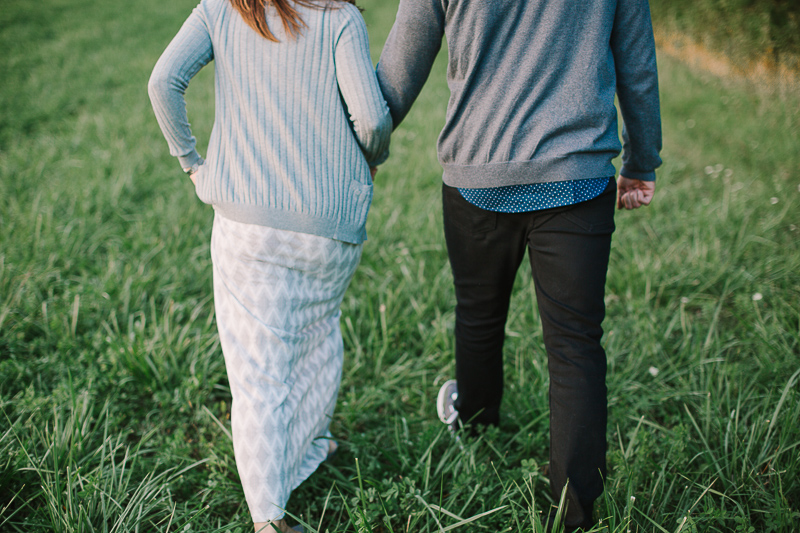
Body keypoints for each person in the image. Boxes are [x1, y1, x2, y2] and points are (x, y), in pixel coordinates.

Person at [376, 0, 661, 530]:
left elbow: (401, 66)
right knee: (575, 344)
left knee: (479, 313)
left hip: (477, 173)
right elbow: (637, 62)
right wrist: (641, 161)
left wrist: (363, 141)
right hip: (577, 176)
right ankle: (577, 510)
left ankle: (478, 427)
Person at [148, 0, 390, 531]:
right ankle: (306, 453)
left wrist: (192, 162)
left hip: (246, 224)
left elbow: (163, 81)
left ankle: (268, 517)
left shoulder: (219, 11)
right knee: (319, 337)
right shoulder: (339, 17)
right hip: (328, 225)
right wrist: (372, 155)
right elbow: (371, 117)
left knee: (258, 372)